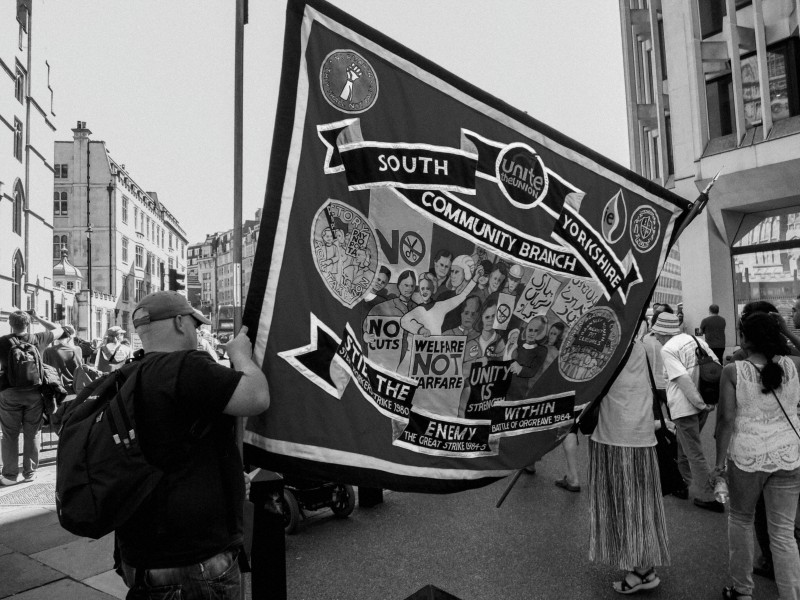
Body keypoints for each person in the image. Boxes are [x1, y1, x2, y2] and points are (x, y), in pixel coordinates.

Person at [117, 290, 269, 599]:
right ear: (178, 322)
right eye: (194, 324)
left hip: (139, 556)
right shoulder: (187, 367)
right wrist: (240, 354)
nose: (197, 332)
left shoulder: (126, 376)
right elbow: (256, 397)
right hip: (194, 558)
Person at [715, 311, 800, 600]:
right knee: (783, 533)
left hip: (747, 457)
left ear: (744, 338)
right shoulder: (792, 365)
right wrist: (786, 333)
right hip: (789, 455)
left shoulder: (734, 371)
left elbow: (726, 420)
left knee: (740, 520)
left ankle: (742, 590)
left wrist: (718, 464)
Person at [589, 339, 670, 594]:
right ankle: (643, 565)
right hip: (640, 431)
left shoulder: (608, 343)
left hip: (615, 433)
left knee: (627, 505)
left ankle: (642, 570)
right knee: (638, 504)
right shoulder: (649, 344)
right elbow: (660, 385)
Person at [652, 312, 723, 512]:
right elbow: (717, 367)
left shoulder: (668, 348)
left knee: (694, 452)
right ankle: (682, 484)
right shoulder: (696, 340)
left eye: (657, 333)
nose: (656, 337)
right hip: (704, 404)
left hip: (686, 408)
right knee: (683, 447)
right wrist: (709, 402)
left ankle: (710, 497)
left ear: (664, 333)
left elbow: (682, 379)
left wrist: (699, 403)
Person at [0, 310, 63, 485]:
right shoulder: (38, 338)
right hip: (34, 393)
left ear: (10, 323)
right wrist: (38, 317)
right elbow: (60, 329)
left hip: (8, 393)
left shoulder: (3, 342)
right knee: (33, 432)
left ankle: (10, 475)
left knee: (9, 435)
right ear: (27, 324)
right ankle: (30, 473)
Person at [42, 324, 83, 395]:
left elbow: (44, 370)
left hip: (56, 389)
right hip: (74, 388)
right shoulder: (77, 350)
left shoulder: (48, 351)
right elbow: (80, 369)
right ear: (70, 337)